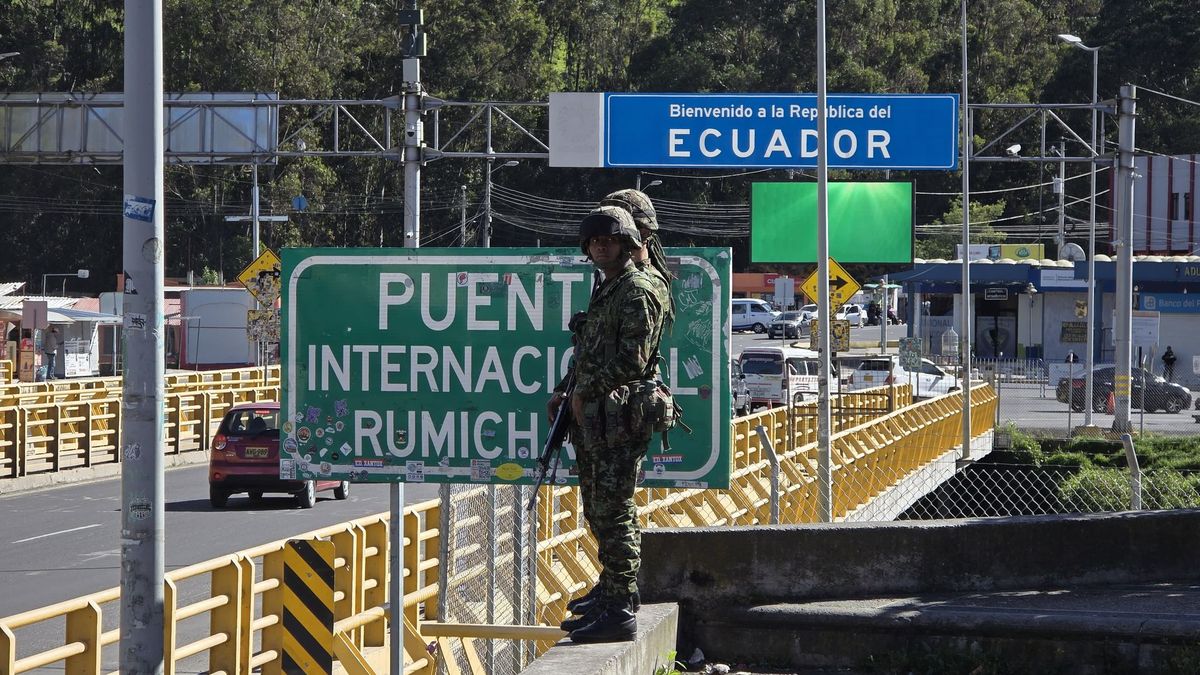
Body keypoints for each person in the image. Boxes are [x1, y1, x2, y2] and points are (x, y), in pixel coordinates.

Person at [546, 205, 668, 643]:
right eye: (595, 241)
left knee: (613, 512)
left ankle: (619, 608)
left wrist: (584, 389)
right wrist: (566, 389)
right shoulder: (610, 287)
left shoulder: (635, 290)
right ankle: (615, 590)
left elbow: (631, 360)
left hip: (619, 416)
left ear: (628, 244)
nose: (601, 246)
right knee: (598, 510)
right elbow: (592, 352)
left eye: (610, 240)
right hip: (597, 417)